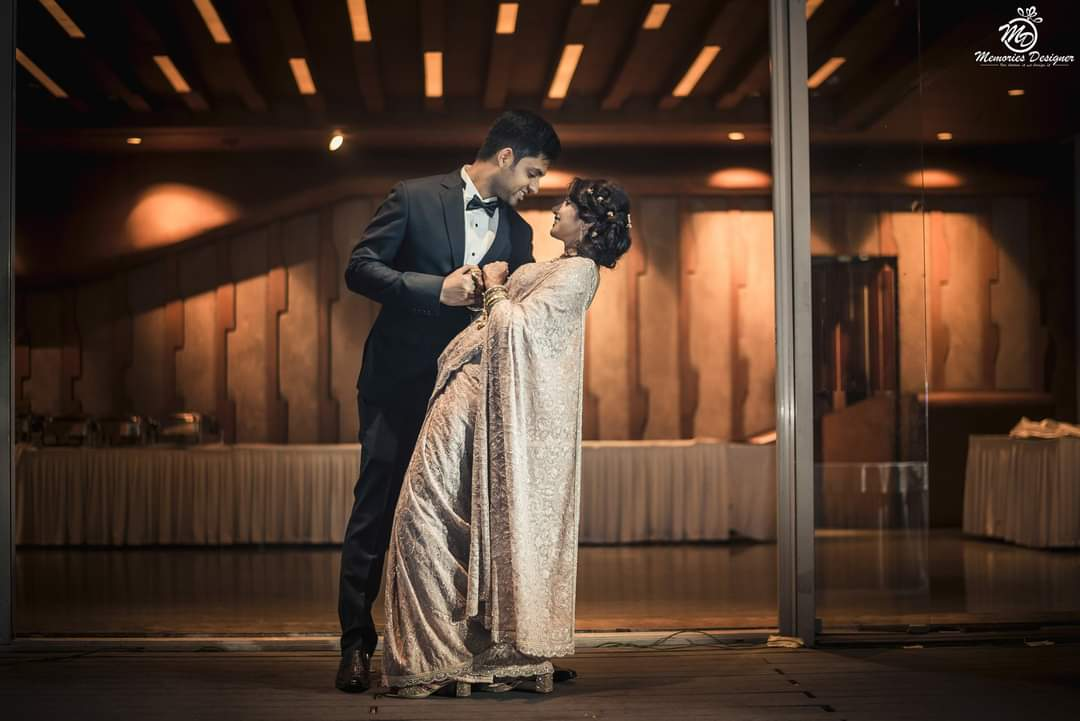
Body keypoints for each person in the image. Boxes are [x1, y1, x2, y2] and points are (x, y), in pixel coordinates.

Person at [336, 110, 561, 693]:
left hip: (470, 395)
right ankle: (356, 644)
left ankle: (470, 649)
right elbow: (359, 269)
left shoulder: (520, 234)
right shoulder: (412, 197)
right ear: (506, 156)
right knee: (378, 507)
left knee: (470, 519)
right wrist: (433, 289)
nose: (535, 188)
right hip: (400, 382)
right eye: (533, 173)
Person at [380, 178, 632, 698]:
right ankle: (453, 652)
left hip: (483, 399)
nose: (556, 208)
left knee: (419, 514)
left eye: (567, 204)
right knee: (429, 514)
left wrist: (495, 285)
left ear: (586, 224)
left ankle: (454, 653)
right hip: (471, 393)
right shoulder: (559, 266)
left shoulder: (581, 272)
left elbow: (519, 330)